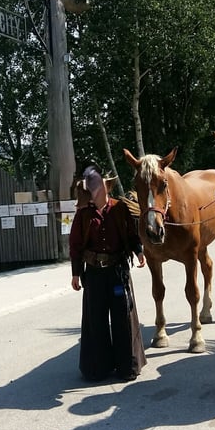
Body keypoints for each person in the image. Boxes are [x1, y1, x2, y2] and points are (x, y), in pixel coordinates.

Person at [69, 163, 147, 382]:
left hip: (117, 272)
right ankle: (98, 368)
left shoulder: (120, 208)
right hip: (93, 275)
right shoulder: (83, 214)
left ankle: (127, 367)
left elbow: (132, 235)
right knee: (96, 320)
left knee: (123, 318)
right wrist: (76, 273)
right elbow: (75, 244)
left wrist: (139, 252)